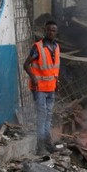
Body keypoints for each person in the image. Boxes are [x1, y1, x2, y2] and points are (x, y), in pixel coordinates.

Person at [23, 20, 60, 155]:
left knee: (48, 115)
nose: (51, 33)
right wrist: (33, 78)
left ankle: (47, 142)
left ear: (56, 32)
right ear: (45, 31)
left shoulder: (56, 47)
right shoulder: (37, 47)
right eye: (49, 30)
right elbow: (26, 64)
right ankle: (40, 146)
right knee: (42, 115)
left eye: (53, 31)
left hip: (51, 87)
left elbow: (54, 68)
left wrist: (57, 82)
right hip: (39, 88)